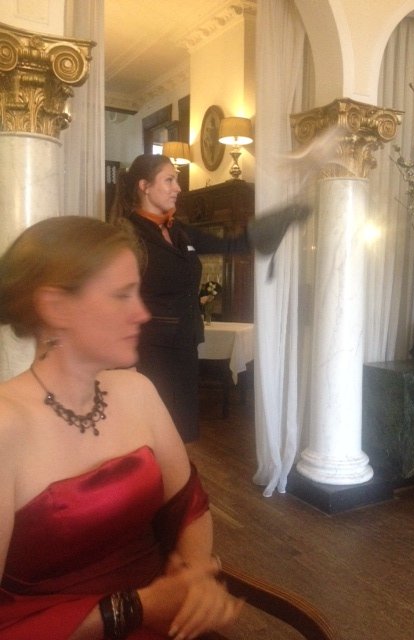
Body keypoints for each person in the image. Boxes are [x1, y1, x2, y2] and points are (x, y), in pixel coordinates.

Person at [0, 216, 243, 639]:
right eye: (121, 295)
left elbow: (189, 506)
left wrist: (195, 577)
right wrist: (135, 607)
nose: (142, 313)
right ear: (56, 307)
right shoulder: (6, 427)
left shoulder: (137, 391)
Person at [109, 154, 250, 443]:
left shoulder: (178, 230)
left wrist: (271, 227)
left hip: (185, 344)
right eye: (169, 180)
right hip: (148, 350)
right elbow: (116, 300)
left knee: (180, 428)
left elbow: (229, 244)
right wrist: (123, 361)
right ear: (144, 186)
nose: (178, 188)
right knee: (149, 431)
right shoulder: (126, 234)